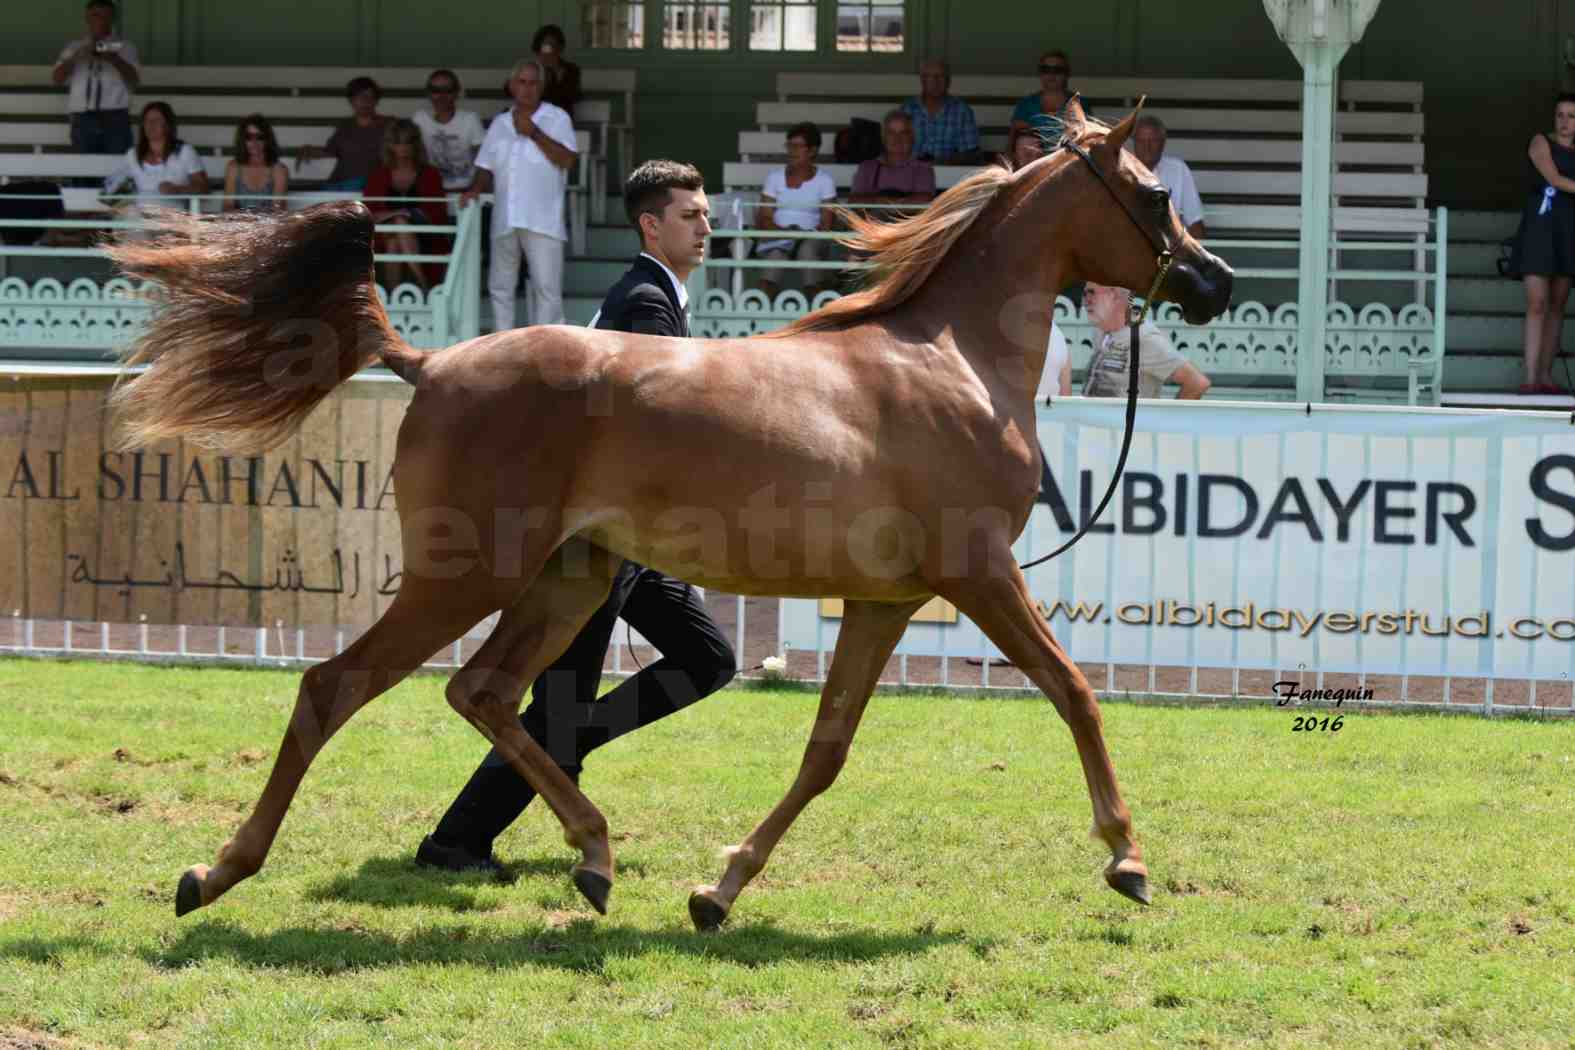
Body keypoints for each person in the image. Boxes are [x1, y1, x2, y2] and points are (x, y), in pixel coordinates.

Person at [417, 159, 737, 875]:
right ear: (650, 224)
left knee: (705, 658)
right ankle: (454, 843)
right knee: (560, 713)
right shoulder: (647, 306)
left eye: (706, 213)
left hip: (621, 540)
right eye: (690, 214)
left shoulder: (651, 296)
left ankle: (571, 745)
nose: (705, 225)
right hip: (597, 542)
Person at [464, 59, 578, 331]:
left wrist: (534, 133)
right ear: (512, 86)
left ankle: (548, 352)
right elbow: (484, 166)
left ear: (542, 86)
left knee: (546, 288)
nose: (527, 88)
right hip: (505, 216)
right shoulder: (501, 123)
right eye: (522, 82)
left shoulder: (557, 117)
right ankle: (503, 346)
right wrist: (475, 189)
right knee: (500, 287)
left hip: (543, 218)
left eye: (533, 82)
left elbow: (567, 160)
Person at [1507, 93, 1575, 396]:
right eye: (1560, 114)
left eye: (1572, 116)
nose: (1565, 121)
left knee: (1559, 304)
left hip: (1569, 230)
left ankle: (1546, 376)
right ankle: (1530, 375)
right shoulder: (1540, 142)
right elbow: (1555, 179)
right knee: (1537, 303)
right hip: (1540, 228)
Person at [1081, 281, 1211, 399]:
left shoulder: (1143, 337)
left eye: (1092, 293)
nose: (1085, 301)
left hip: (1125, 425)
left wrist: (1169, 422)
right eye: (1084, 294)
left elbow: (1197, 382)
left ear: (1114, 295)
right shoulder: (1102, 332)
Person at [756, 121, 838, 298]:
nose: (791, 150)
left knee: (807, 251)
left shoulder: (825, 181)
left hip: (812, 238)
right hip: (779, 237)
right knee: (776, 254)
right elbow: (764, 219)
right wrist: (786, 233)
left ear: (812, 151)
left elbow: (826, 225)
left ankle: (816, 314)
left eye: (797, 146)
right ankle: (758, 314)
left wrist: (801, 236)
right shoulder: (774, 178)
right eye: (789, 145)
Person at [365, 119, 448, 291]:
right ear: (390, 146)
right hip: (385, 237)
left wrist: (405, 217)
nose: (402, 147)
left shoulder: (430, 174)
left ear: (415, 144)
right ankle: (422, 287)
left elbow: (438, 214)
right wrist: (399, 214)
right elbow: (368, 214)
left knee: (398, 231)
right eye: (397, 142)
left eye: (407, 142)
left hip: (425, 236)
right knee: (397, 233)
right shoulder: (378, 175)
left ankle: (394, 297)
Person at [53, 0, 140, 155]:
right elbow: (57, 79)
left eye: (104, 15)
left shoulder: (125, 47)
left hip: (115, 118)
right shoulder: (74, 47)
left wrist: (113, 58)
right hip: (82, 119)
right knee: (83, 171)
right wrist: (76, 57)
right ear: (87, 18)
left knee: (115, 171)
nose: (99, 20)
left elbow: (134, 79)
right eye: (94, 15)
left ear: (112, 18)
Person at [297, 76, 390, 192]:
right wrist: (309, 150)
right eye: (360, 97)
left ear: (376, 100)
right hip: (339, 184)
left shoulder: (388, 125)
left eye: (370, 97)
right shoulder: (345, 125)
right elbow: (330, 151)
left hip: (368, 185)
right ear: (351, 101)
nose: (365, 101)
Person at [104, 101, 208, 204]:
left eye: (157, 120)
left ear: (167, 125)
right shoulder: (132, 154)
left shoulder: (184, 151)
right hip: (137, 216)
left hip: (172, 216)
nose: (150, 124)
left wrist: (177, 189)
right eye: (147, 120)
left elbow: (203, 188)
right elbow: (113, 191)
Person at [411, 69, 487, 195]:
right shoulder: (420, 119)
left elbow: (483, 162)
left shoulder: (470, 119)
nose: (441, 96)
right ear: (428, 93)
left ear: (457, 92)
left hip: (466, 191)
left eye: (448, 90)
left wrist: (474, 190)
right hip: (430, 191)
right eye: (436, 90)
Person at [1132, 115, 1205, 240]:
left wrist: (1192, 256)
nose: (1147, 147)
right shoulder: (1119, 168)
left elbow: (1196, 224)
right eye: (1141, 141)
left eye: (1153, 140)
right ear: (1134, 142)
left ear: (1163, 142)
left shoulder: (1178, 169)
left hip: (1170, 251)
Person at [849, 110, 936, 207]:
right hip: (873, 222)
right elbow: (854, 202)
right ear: (883, 137)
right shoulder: (867, 167)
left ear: (912, 137)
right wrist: (903, 202)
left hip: (910, 222)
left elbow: (924, 201)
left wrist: (879, 202)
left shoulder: (923, 169)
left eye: (904, 133)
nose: (897, 139)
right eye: (891, 133)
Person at [901, 58, 979, 165]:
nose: (935, 81)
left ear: (948, 81)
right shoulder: (908, 109)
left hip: (949, 172)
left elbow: (971, 154)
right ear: (922, 80)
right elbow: (897, 149)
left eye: (940, 76)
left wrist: (942, 162)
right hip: (912, 171)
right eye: (930, 76)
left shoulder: (962, 111)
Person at [1010, 50, 1083, 156]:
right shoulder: (1026, 104)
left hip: (1066, 159)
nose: (1051, 74)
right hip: (1033, 162)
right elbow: (1014, 138)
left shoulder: (1077, 103)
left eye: (1058, 70)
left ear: (1067, 73)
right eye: (1046, 69)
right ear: (1040, 73)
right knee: (1026, 142)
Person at [222, 114, 288, 213]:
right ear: (242, 140)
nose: (254, 142)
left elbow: (278, 209)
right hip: (239, 224)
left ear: (267, 139)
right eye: (248, 137)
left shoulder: (279, 169)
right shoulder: (233, 167)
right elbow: (227, 207)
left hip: (269, 225)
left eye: (260, 137)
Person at [534, 24, 583, 114]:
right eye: (546, 46)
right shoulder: (532, 69)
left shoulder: (571, 70)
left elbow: (573, 95)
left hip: (562, 118)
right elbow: (512, 87)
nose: (550, 51)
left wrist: (556, 72)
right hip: (536, 119)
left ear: (560, 48)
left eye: (553, 46)